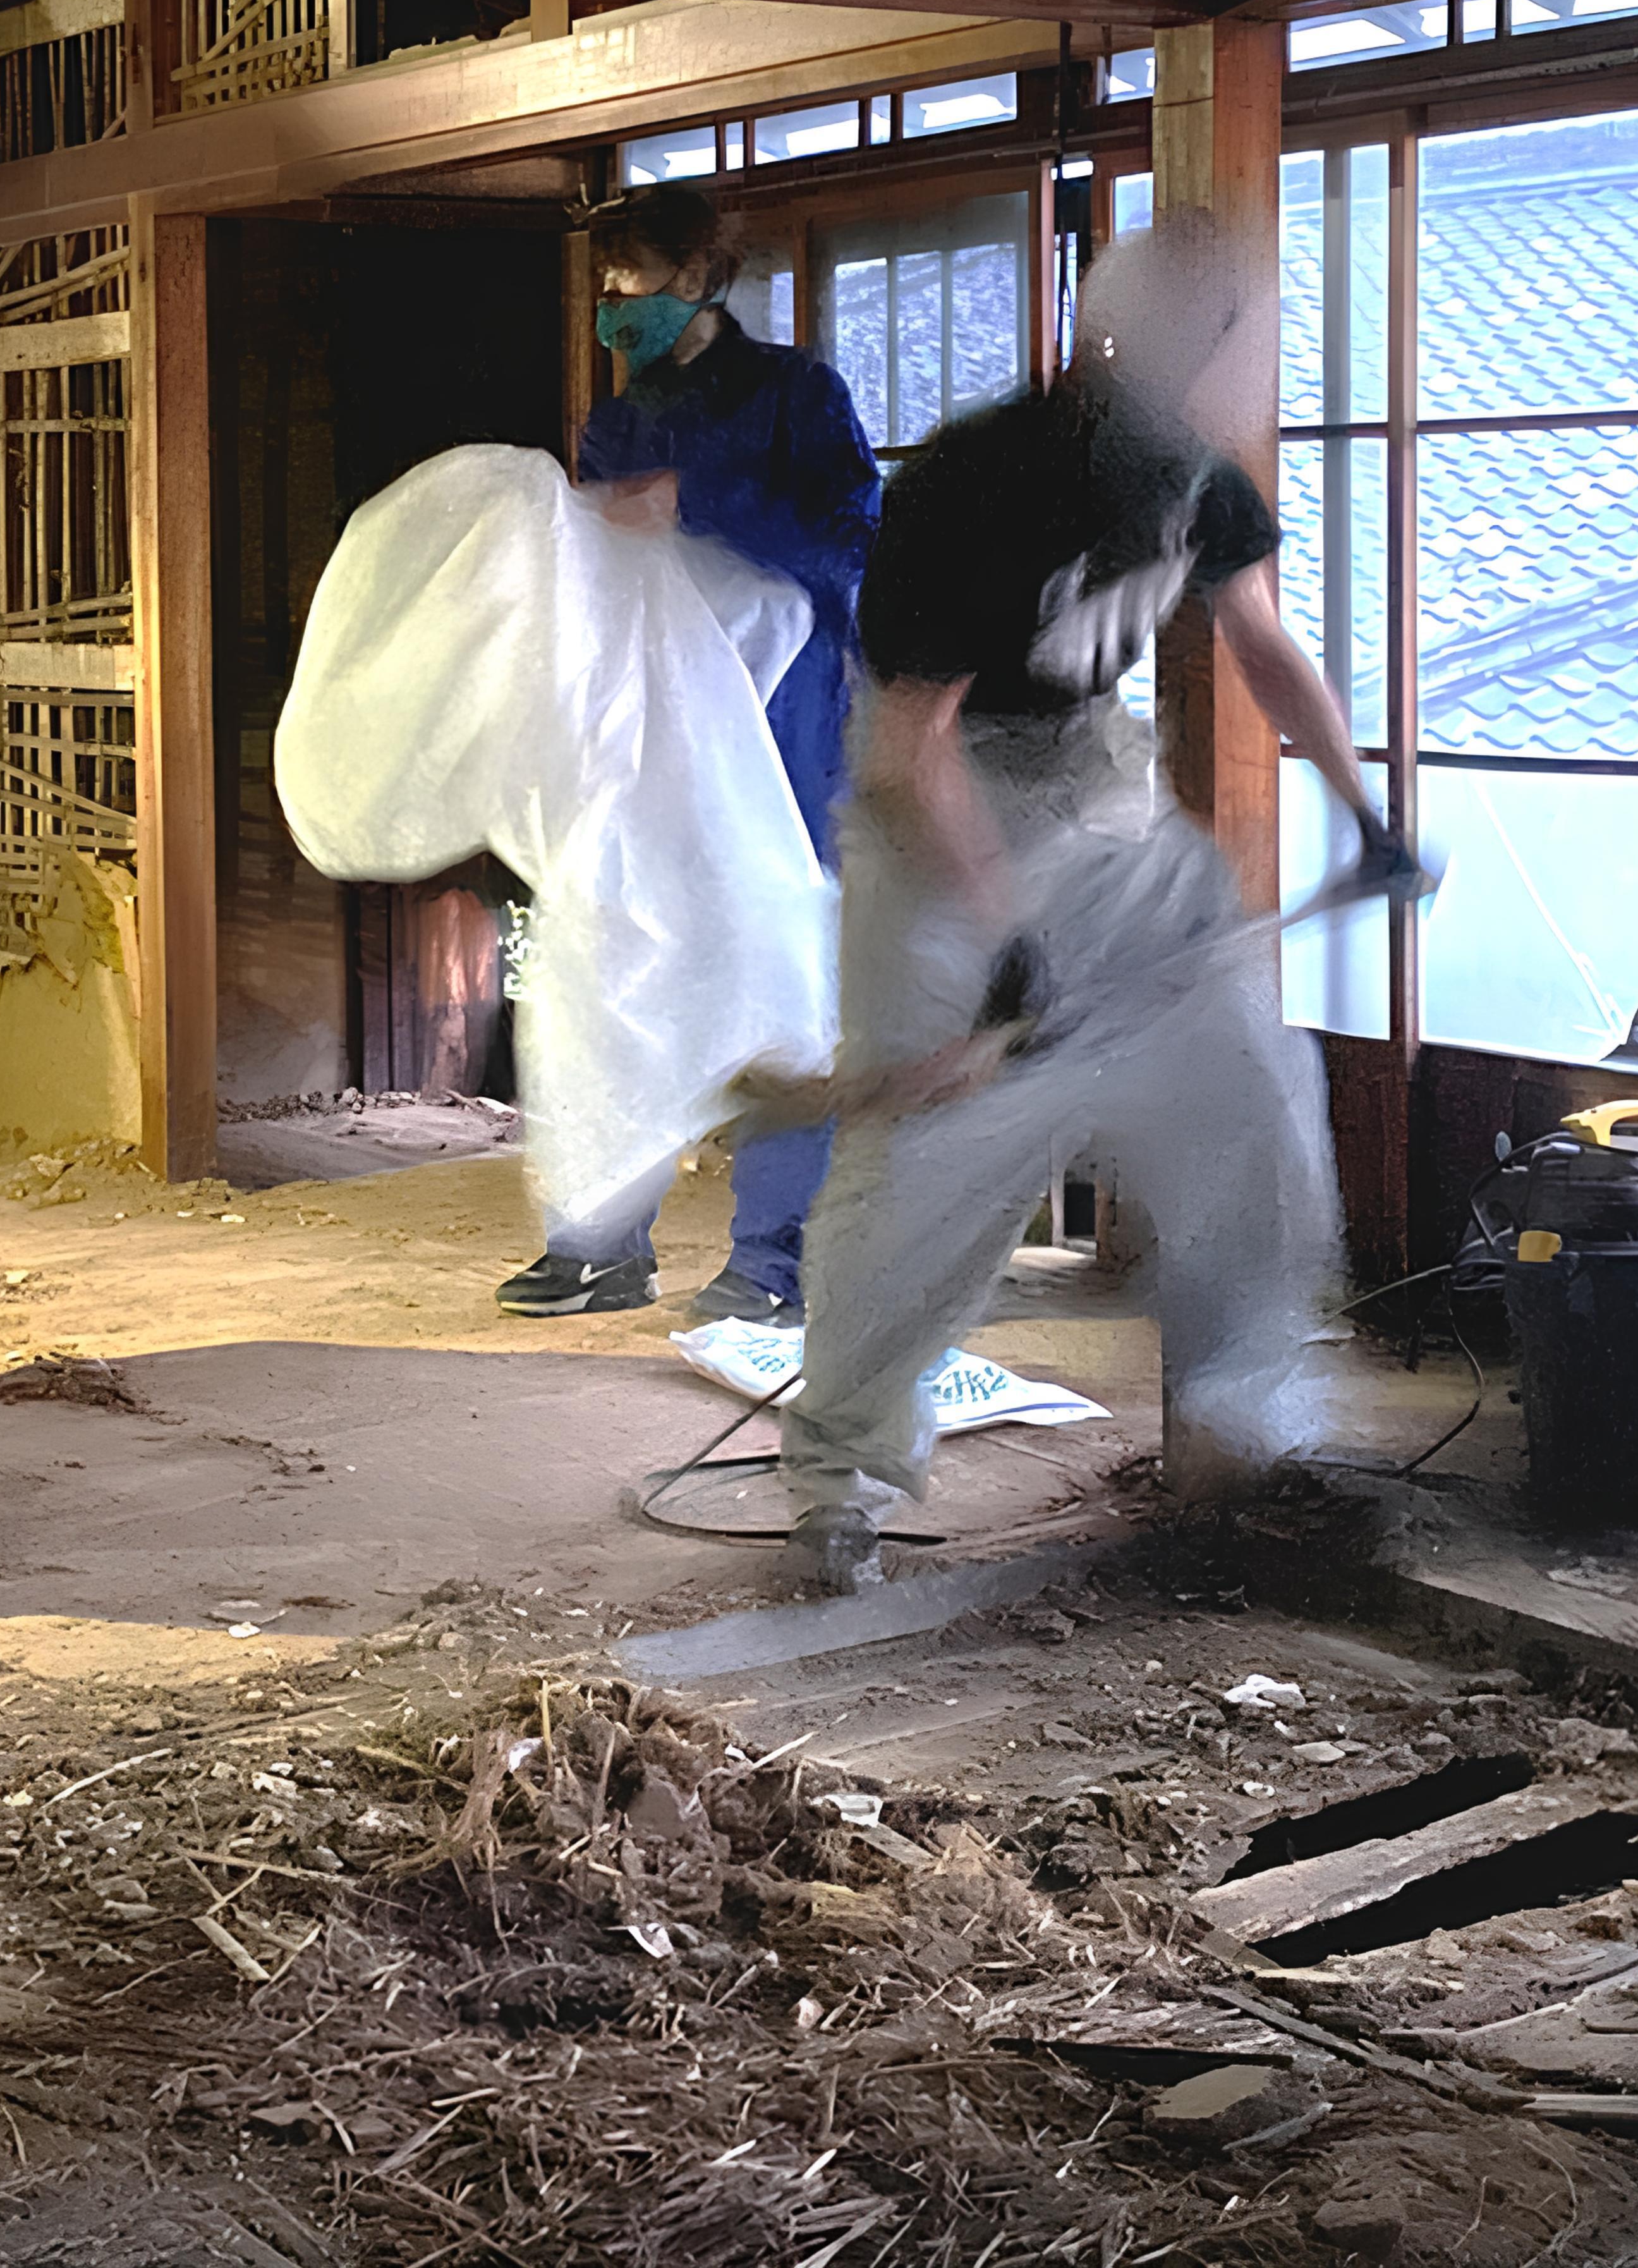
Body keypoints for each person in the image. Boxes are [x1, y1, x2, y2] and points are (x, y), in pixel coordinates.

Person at [775, 217, 1419, 1592]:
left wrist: (1366, 814)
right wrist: (1004, 939)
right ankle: (842, 1482)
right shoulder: (981, 480)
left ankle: (1248, 1426)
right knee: (934, 1164)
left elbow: (1261, 641)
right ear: (1156, 343)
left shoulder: (1198, 475)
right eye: (1243, 336)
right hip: (945, 801)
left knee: (1242, 1074)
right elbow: (908, 751)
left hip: (1096, 774)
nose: (1263, 366)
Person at [495, 188, 880, 1323]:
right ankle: (600, 1241)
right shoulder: (618, 422)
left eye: (635, 278)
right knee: (616, 970)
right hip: (655, 739)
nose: (616, 303)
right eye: (606, 282)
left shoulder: (797, 394)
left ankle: (774, 1262)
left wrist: (698, 506)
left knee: (781, 984)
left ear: (702, 278)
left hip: (787, 735)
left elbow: (852, 540)